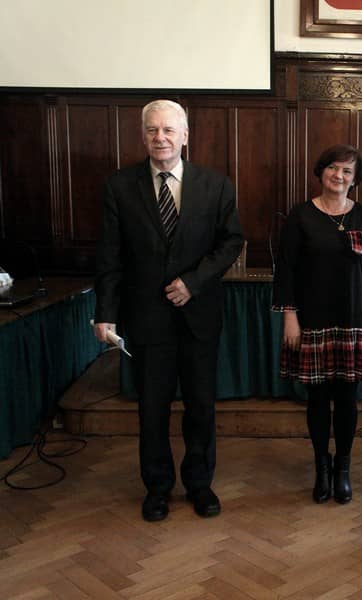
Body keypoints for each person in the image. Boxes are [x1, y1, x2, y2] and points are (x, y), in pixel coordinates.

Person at [94, 99, 244, 522]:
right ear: (143, 136)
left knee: (201, 406)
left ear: (185, 136)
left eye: (168, 130)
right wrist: (104, 312)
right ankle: (157, 487)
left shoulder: (216, 185)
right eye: (152, 130)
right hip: (146, 318)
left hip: (199, 316)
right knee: (152, 409)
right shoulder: (119, 186)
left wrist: (193, 283)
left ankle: (199, 484)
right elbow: (109, 255)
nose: (160, 138)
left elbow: (231, 242)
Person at [272, 145, 362, 505]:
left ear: (355, 179)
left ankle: (343, 468)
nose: (339, 176)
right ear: (321, 171)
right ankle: (321, 467)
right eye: (333, 168)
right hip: (311, 323)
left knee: (348, 399)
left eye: (347, 171)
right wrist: (289, 317)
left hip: (354, 323)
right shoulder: (300, 216)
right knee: (318, 399)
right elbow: (286, 270)